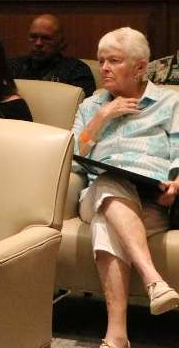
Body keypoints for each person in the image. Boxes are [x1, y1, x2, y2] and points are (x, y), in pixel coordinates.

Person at [73, 27, 179, 348]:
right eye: (101, 60)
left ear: (140, 67)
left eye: (114, 60)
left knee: (108, 223)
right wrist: (103, 116)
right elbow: (74, 156)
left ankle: (116, 337)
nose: (103, 67)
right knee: (109, 180)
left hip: (150, 200)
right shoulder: (91, 106)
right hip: (94, 195)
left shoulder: (170, 103)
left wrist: (176, 184)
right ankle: (152, 278)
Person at [8, 14, 96, 97]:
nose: (38, 43)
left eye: (46, 38)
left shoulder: (76, 70)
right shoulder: (13, 66)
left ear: (61, 42)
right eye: (33, 37)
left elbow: (85, 109)